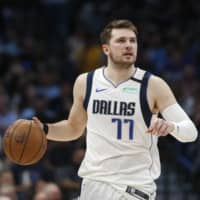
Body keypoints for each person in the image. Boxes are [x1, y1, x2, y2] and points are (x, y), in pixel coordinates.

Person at [32, 19, 198, 200]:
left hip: (132, 188)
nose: (128, 45)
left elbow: (190, 132)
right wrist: (45, 130)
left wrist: (171, 127)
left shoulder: (153, 85)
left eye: (132, 41)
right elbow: (74, 128)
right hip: (93, 184)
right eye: (121, 41)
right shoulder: (86, 82)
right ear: (106, 49)